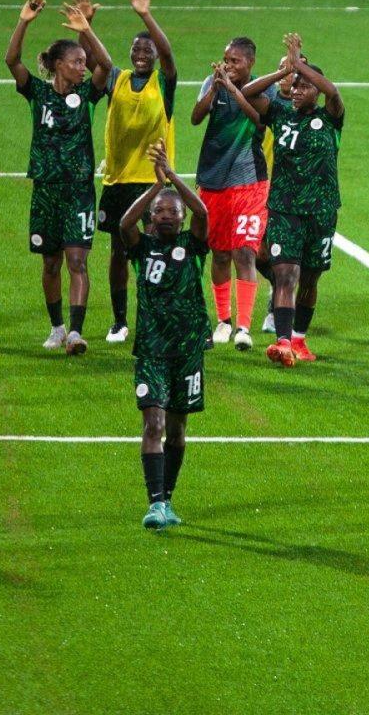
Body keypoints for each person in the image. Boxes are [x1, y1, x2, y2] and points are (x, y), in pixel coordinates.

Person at [4, 0, 111, 355]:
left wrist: (86, 30)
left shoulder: (88, 94)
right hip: (46, 191)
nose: (83, 66)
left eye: (84, 61)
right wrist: (24, 21)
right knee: (51, 263)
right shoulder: (36, 92)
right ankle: (57, 327)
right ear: (58, 65)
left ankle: (77, 333)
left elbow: (106, 65)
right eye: (77, 61)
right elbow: (12, 59)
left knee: (77, 260)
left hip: (79, 190)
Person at [116, 143, 211, 530]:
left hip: (188, 353)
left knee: (177, 430)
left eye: (175, 211)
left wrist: (172, 178)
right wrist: (155, 188)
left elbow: (204, 212)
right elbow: (124, 224)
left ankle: (168, 497)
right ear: (152, 219)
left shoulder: (193, 245)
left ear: (182, 217)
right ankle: (155, 504)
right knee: (152, 424)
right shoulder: (144, 247)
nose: (169, 215)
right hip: (153, 352)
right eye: (161, 211)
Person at [95, 0, 178, 343]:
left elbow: (170, 54)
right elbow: (99, 61)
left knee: (151, 252)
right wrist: (86, 29)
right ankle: (119, 320)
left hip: (152, 181)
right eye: (136, 49)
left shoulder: (165, 82)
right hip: (117, 180)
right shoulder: (118, 79)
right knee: (117, 251)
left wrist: (145, 14)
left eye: (147, 50)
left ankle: (154, 318)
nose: (141, 54)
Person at [262, 33, 345, 367]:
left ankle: (298, 339)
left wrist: (299, 65)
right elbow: (249, 95)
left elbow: (334, 92)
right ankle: (282, 342)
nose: (296, 90)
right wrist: (283, 73)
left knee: (310, 279)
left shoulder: (331, 118)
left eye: (303, 85)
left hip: (322, 212)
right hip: (284, 209)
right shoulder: (280, 114)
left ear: (315, 89)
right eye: (293, 86)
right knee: (286, 276)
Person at [193, 37, 280, 350]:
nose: (229, 65)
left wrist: (233, 91)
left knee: (245, 251)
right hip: (213, 180)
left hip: (249, 180)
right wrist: (216, 88)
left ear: (250, 63)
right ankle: (223, 320)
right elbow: (196, 117)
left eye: (235, 61)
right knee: (219, 252)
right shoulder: (211, 82)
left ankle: (244, 327)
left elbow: (259, 122)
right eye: (226, 60)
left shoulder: (262, 89)